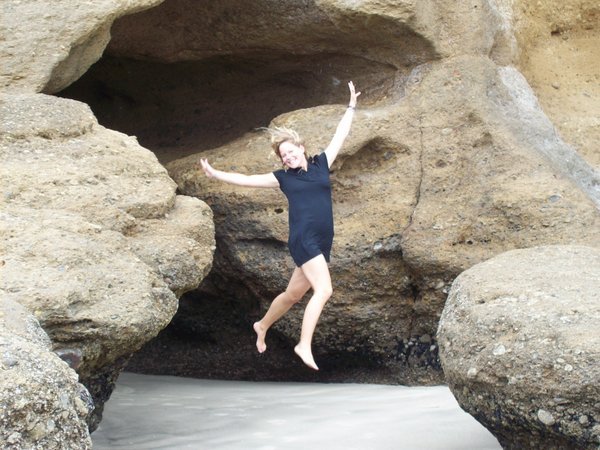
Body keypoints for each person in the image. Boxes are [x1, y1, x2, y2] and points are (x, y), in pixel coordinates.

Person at [199, 81, 361, 370]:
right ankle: (304, 344)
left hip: (322, 242)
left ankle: (261, 325)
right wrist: (215, 174)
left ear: (301, 148)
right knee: (324, 290)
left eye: (290, 151)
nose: (287, 156)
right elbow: (247, 181)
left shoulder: (322, 163)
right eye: (283, 155)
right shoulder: (283, 178)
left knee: (293, 295)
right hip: (304, 241)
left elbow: (340, 135)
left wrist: (351, 106)